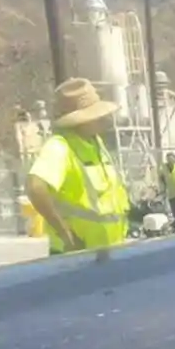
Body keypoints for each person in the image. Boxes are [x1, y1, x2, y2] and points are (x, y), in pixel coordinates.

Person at [25, 77, 131, 256]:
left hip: (107, 252)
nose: (103, 118)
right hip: (77, 255)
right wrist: (64, 233)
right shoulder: (60, 146)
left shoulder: (96, 144)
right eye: (96, 115)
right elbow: (35, 187)